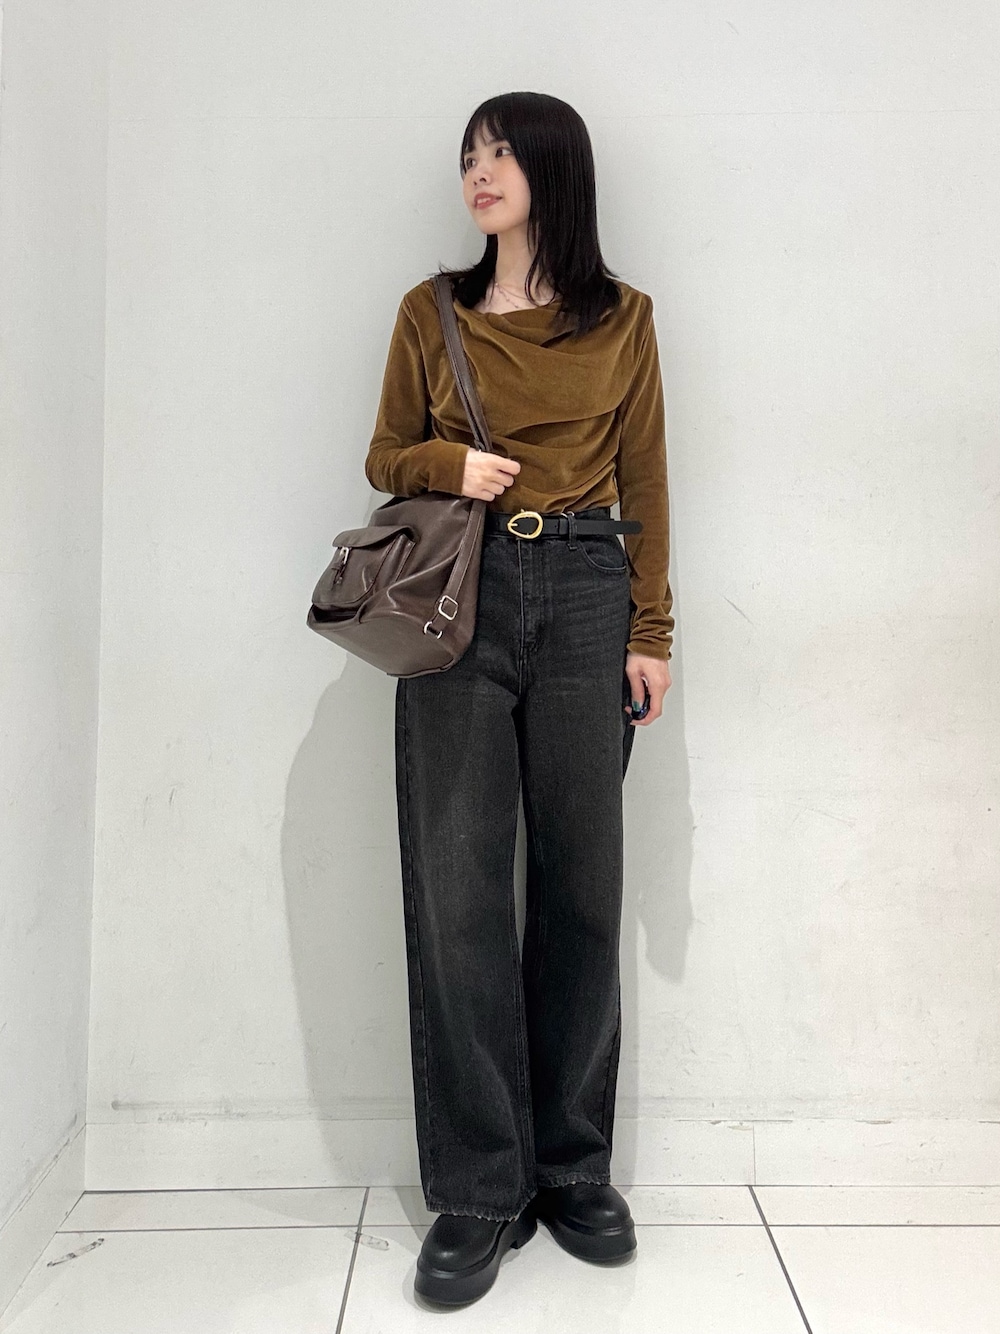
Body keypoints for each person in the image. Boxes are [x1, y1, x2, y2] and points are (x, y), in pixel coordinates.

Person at [364, 91, 674, 1307]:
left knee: (581, 886)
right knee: (458, 890)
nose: (478, 173)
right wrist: (451, 463)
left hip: (590, 589)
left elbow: (647, 476)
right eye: (467, 157)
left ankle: (571, 1164)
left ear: (554, 169)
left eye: (499, 153)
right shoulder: (430, 311)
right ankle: (479, 1187)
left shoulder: (624, 317)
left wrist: (650, 630)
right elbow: (385, 456)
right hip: (458, 595)